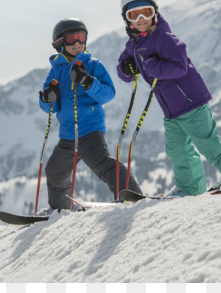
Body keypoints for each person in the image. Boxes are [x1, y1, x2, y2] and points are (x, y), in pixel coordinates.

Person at [115, 0, 221, 196]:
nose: (140, 19)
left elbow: (180, 66)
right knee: (178, 152)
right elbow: (124, 70)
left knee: (209, 146)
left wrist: (152, 67)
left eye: (145, 12)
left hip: (191, 103)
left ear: (155, 13)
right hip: (171, 111)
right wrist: (127, 69)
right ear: (126, 19)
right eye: (133, 15)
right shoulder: (134, 45)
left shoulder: (165, 38)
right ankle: (191, 189)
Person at [39, 18, 143, 211]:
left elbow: (108, 93)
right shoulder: (56, 71)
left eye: (82, 37)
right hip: (68, 134)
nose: (78, 43)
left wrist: (87, 82)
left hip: (89, 129)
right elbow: (48, 109)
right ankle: (60, 210)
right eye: (72, 38)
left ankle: (132, 197)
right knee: (54, 171)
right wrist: (48, 98)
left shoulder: (93, 65)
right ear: (60, 43)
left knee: (104, 165)